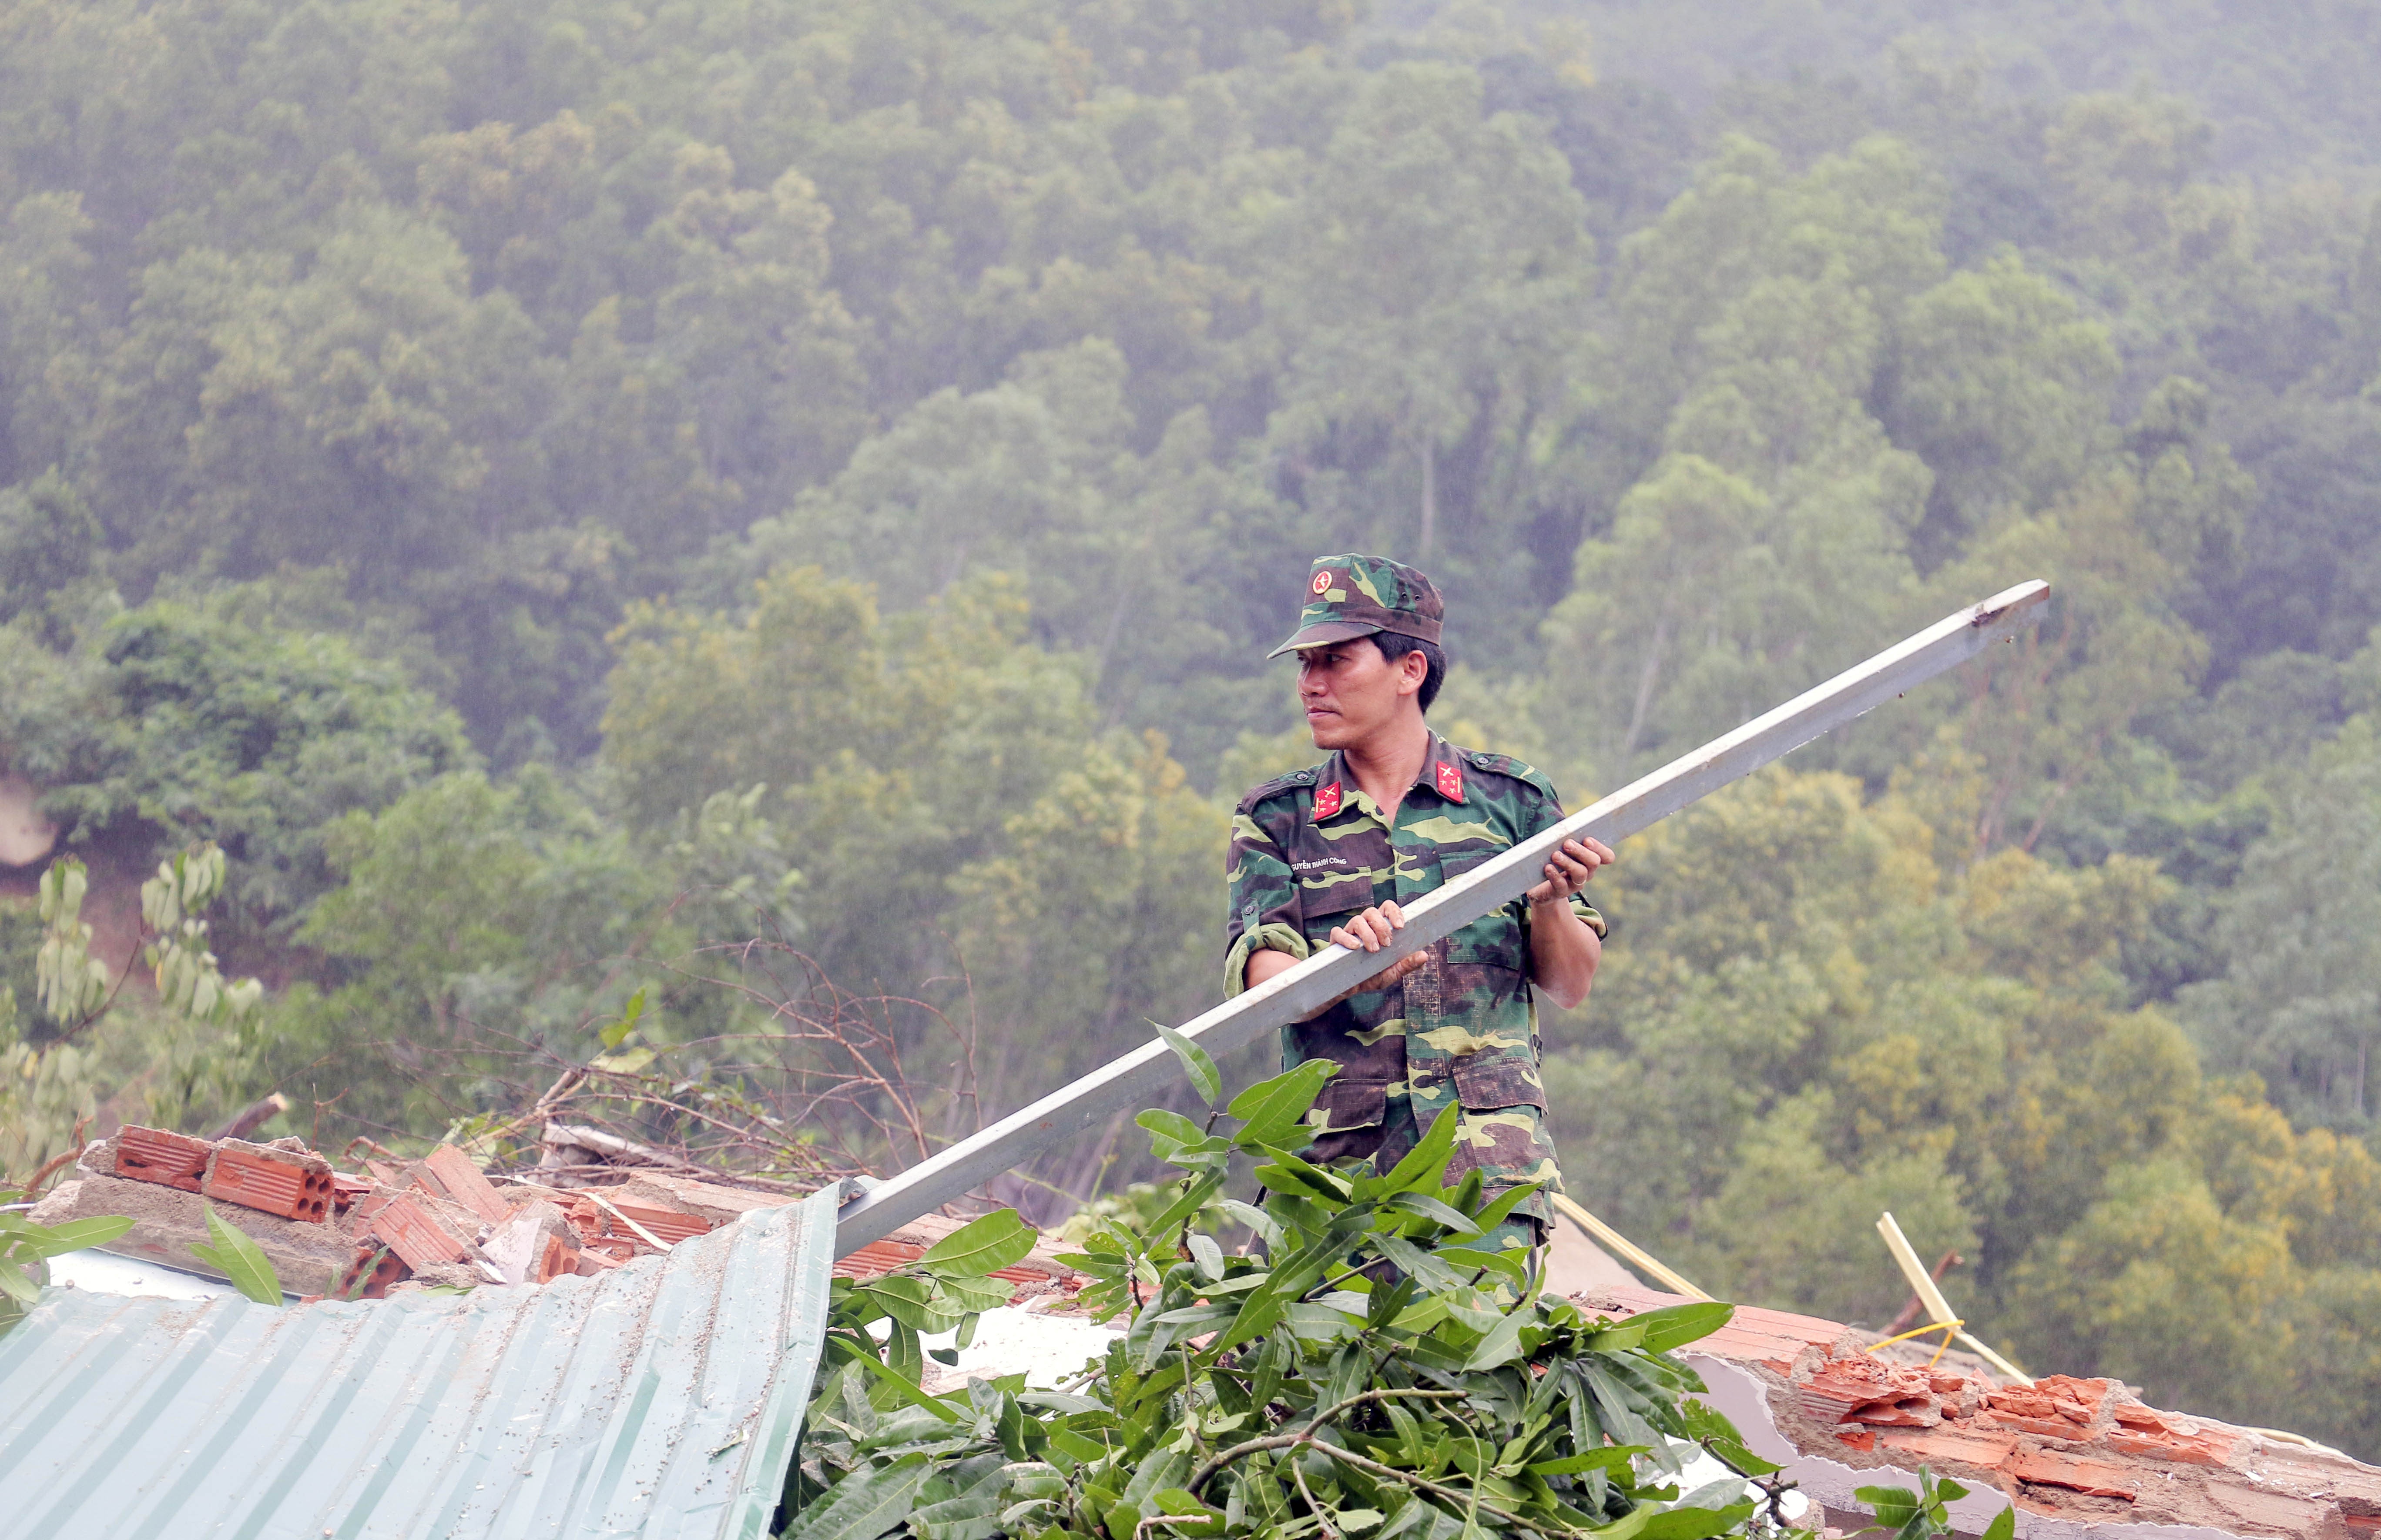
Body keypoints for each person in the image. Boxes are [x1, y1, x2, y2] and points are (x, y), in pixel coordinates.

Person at [1224, 554, 1613, 1258]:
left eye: (1336, 661)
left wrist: (1553, 904)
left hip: (1487, 1180)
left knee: (1471, 1363)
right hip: (1334, 1185)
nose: (1311, 685)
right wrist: (1345, 969)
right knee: (1311, 1363)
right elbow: (1264, 983)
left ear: (1411, 672)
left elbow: (1572, 983)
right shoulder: (1277, 819)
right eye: (1305, 665)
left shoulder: (1514, 802)